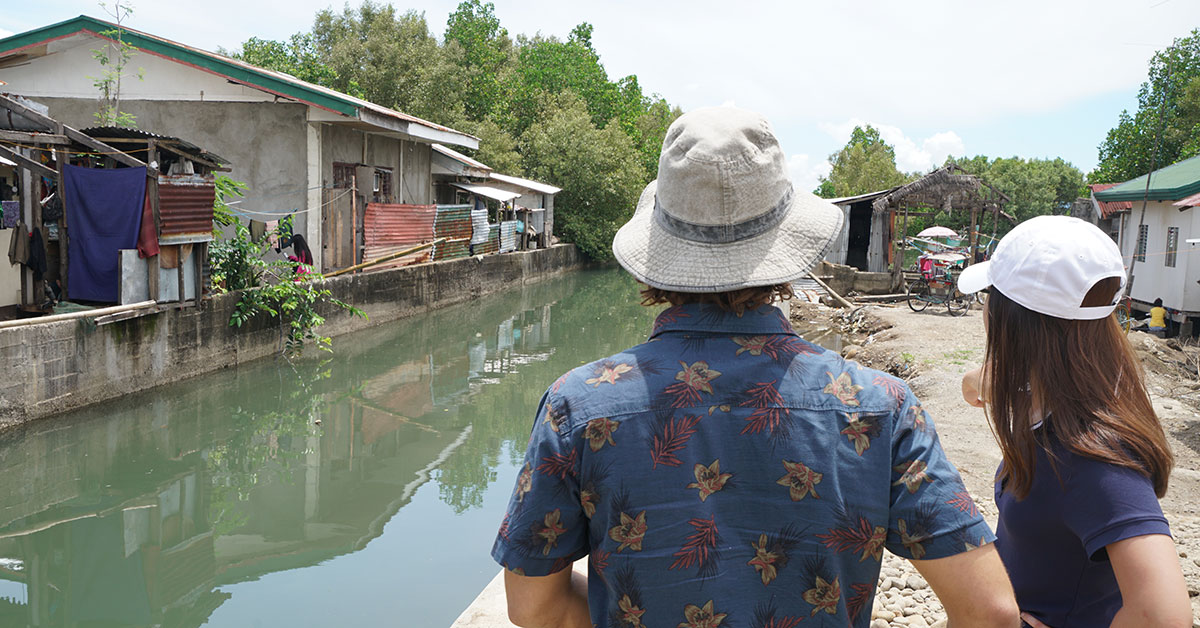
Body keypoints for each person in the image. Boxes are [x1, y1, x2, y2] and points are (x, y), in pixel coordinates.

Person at [491, 107, 1018, 628]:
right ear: (787, 250)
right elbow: (990, 612)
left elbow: (535, 607)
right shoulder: (881, 405)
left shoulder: (578, 406)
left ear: (659, 252)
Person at [957, 216, 1191, 628]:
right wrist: (985, 377)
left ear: (1012, 321)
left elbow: (1164, 617)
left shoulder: (1092, 457)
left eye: (989, 296)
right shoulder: (1077, 394)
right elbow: (991, 380)